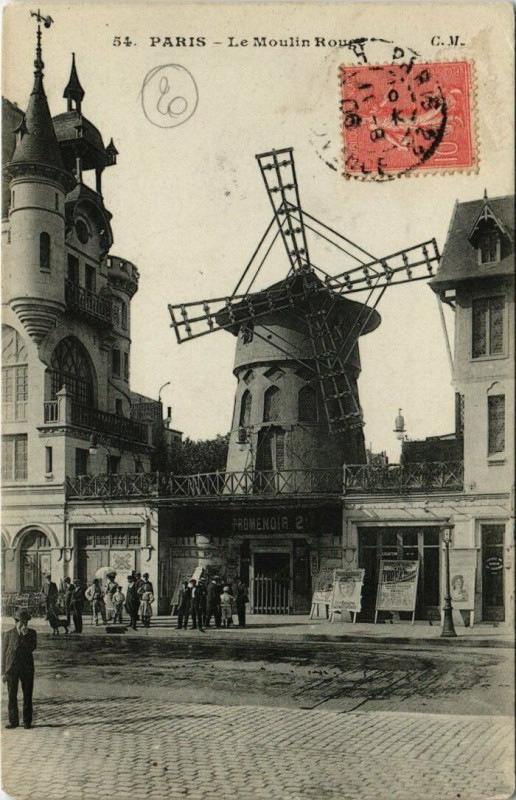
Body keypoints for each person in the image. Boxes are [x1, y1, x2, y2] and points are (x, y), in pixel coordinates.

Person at [2, 608, 37, 729]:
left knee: (27, 695)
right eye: (21, 622)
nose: (24, 625)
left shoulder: (32, 633)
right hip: (12, 668)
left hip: (26, 668)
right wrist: (3, 672)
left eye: (26, 622)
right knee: (12, 695)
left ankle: (27, 721)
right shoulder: (8, 634)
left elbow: (31, 648)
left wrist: (24, 636)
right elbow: (3, 653)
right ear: (16, 622)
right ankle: (13, 721)